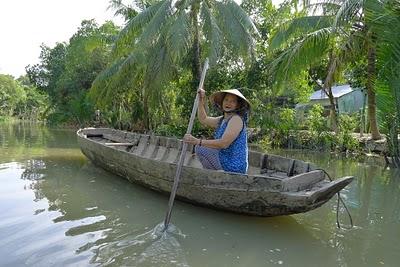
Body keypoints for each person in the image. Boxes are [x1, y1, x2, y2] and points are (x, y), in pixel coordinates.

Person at [183, 88, 250, 174]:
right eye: (226, 100)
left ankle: (214, 174)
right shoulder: (222, 120)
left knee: (201, 148)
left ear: (237, 105)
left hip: (234, 165)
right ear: (222, 102)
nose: (228, 103)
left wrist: (198, 141)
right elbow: (203, 119)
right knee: (200, 147)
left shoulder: (236, 119)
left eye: (232, 101)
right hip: (224, 159)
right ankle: (214, 174)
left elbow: (224, 144)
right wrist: (200, 100)